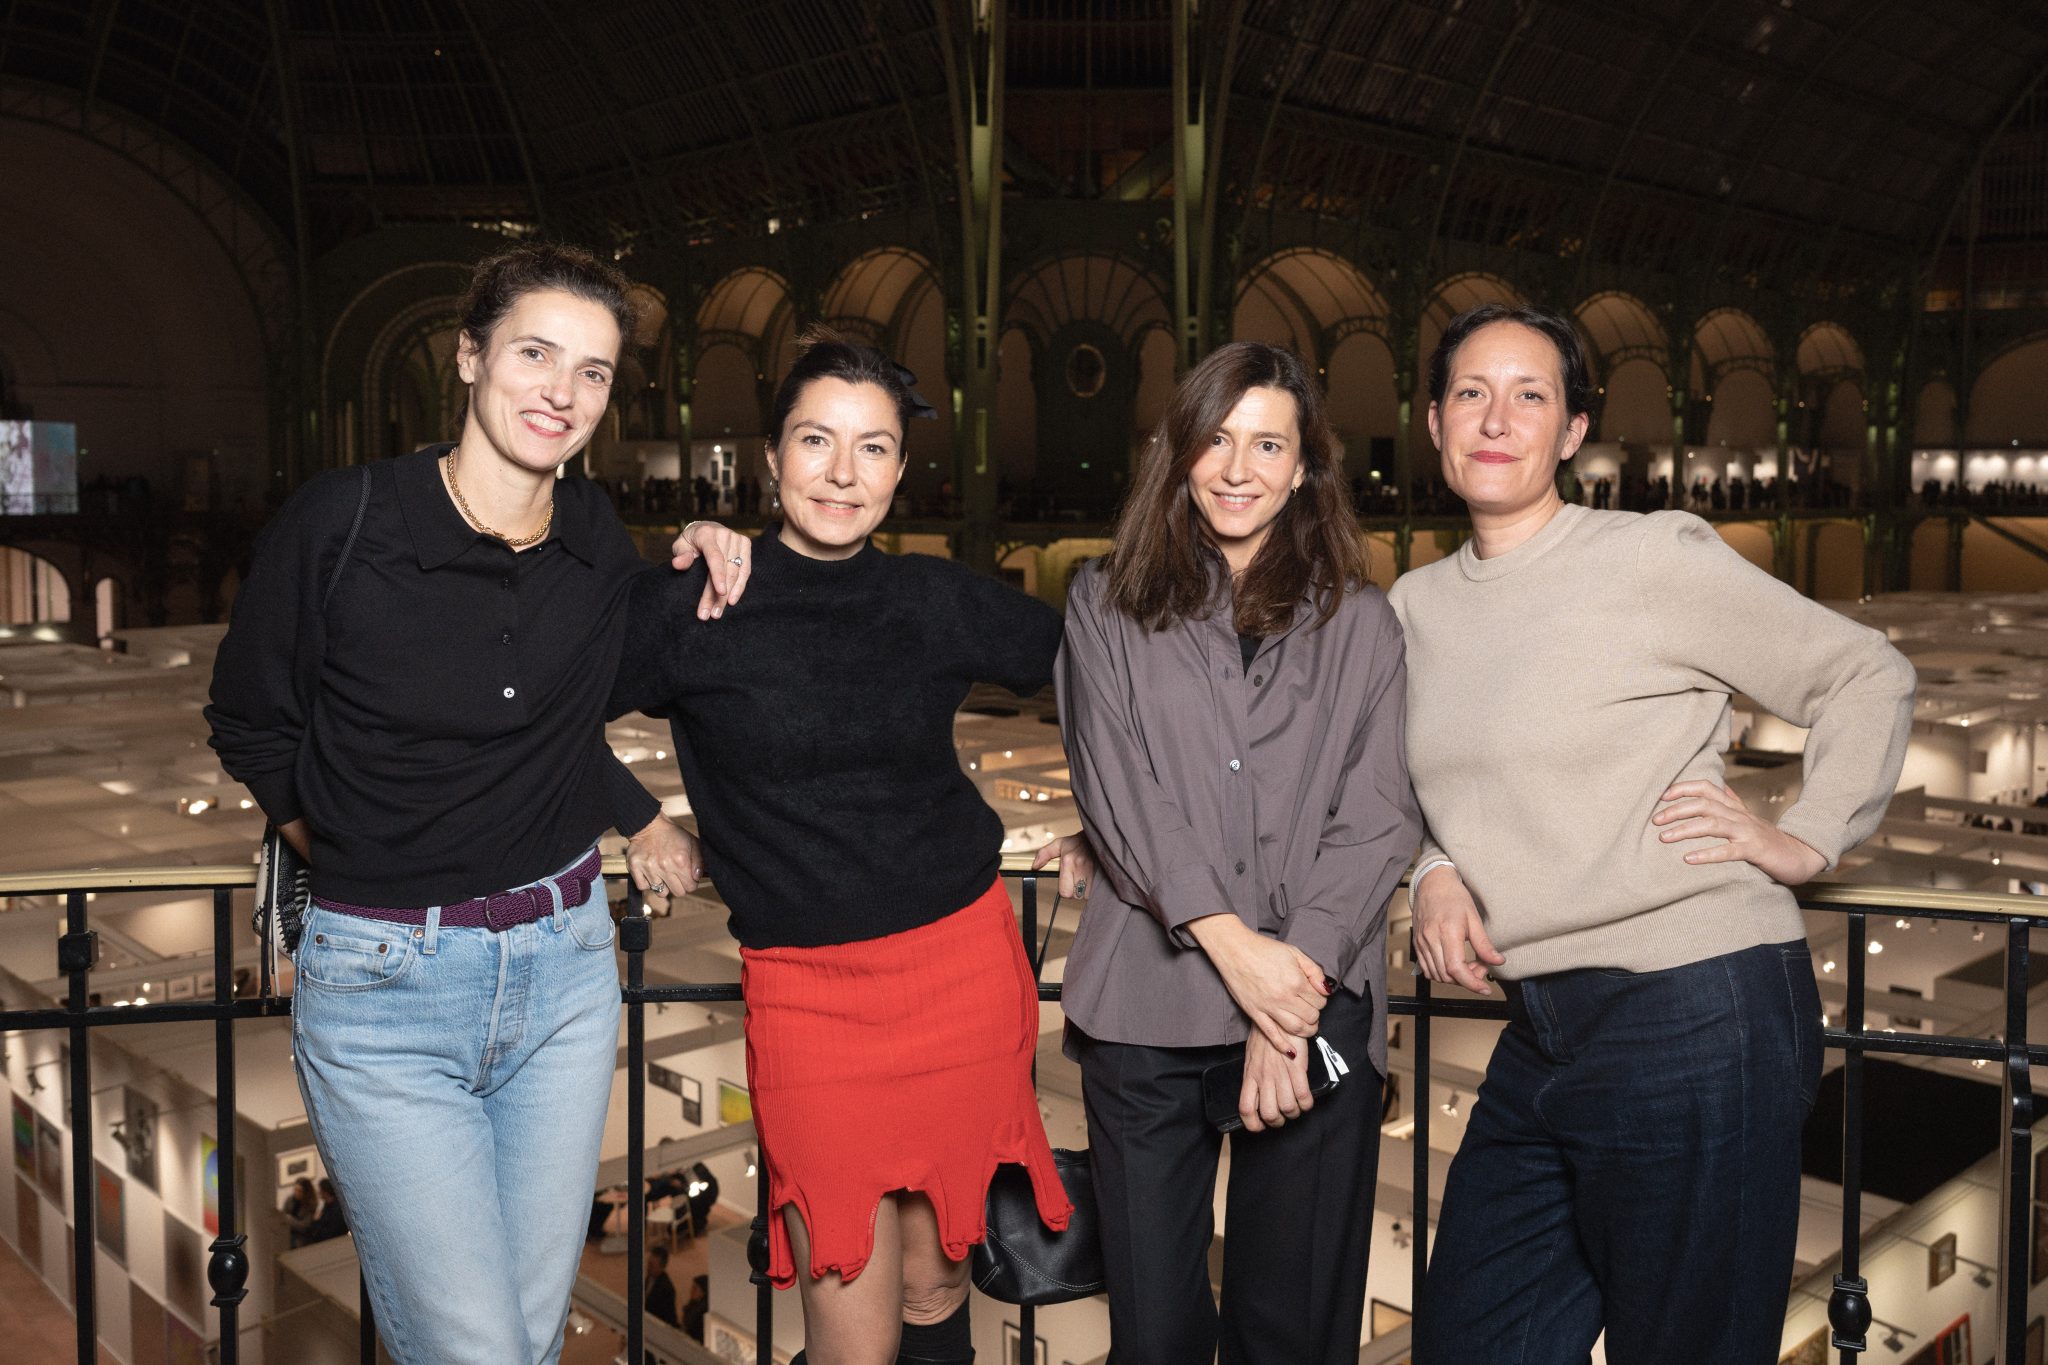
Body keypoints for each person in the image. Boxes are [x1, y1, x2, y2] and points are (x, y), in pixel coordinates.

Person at [206, 242, 750, 1365]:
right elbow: (250, 719)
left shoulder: (595, 535)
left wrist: (703, 545)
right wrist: (352, 846)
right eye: (536, 353)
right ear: (469, 357)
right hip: (385, 998)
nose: (561, 391)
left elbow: (553, 720)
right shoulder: (341, 523)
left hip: (561, 973)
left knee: (530, 1338)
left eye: (593, 372)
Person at [1394, 304, 1915, 1365]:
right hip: (1537, 1028)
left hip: (1693, 1009)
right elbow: (1391, 780)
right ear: (1432, 423)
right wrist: (1434, 865)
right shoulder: (1409, 607)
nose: (1495, 420)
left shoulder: (1646, 557)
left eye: (1529, 396)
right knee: (1469, 1340)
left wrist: (1809, 835)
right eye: (1468, 394)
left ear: (1573, 431)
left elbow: (1864, 671)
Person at [611, 329, 1088, 1365]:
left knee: (934, 1289)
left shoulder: (931, 596)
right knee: (848, 1322)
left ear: (900, 471)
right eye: (816, 441)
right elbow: (537, 705)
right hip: (807, 1000)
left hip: (962, 971)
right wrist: (638, 816)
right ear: (772, 456)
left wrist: (1113, 828)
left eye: (872, 448)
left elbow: (1105, 672)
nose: (841, 472)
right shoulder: (697, 599)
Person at [1056, 340, 1419, 1365]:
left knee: (1293, 1334)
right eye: (1214, 438)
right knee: (1157, 1339)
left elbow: (1376, 817)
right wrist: (1242, 958)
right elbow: (1119, 796)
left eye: (1268, 443)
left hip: (1314, 1013)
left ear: (1305, 469)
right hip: (1145, 1015)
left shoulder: (1361, 625)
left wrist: (1285, 999)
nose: (1236, 466)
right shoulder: (1103, 602)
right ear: (1176, 452)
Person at [645, 1244, 680, 1328]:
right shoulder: (650, 1276)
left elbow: (668, 1319)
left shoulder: (667, 1289)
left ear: (662, 1267)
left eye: (652, 1265)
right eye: (648, 1263)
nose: (648, 1267)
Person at [308, 1178, 348, 1243]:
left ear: (326, 1192)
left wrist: (316, 1221)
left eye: (320, 1189)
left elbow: (331, 1232)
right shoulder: (326, 1206)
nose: (318, 1192)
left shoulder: (337, 1208)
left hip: (335, 1242)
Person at [282, 1176, 318, 1249]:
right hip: (287, 1233)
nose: (296, 1193)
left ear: (305, 1192)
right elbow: (283, 1216)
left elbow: (304, 1226)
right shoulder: (290, 1200)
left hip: (302, 1238)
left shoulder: (310, 1205)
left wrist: (290, 1219)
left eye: (299, 1191)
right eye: (295, 1190)